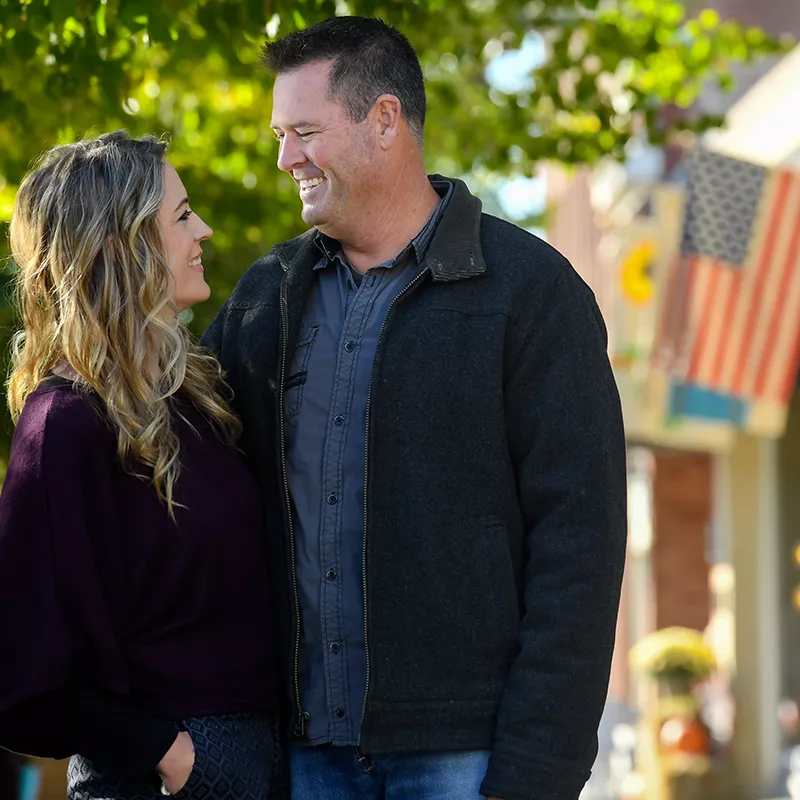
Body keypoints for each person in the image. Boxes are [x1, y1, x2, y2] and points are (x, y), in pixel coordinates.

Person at [203, 15, 627, 800]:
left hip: (468, 759)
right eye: (278, 134)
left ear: (385, 120)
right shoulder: (267, 298)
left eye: (303, 131)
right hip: (300, 761)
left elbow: (583, 544)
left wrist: (538, 772)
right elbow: (181, 475)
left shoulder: (531, 293)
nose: (284, 157)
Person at [0, 131, 280, 800]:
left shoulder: (198, 399)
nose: (203, 230)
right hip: (160, 776)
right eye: (182, 216)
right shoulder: (62, 424)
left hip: (260, 759)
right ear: (123, 245)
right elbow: (24, 668)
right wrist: (168, 754)